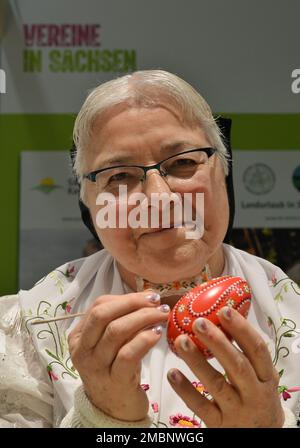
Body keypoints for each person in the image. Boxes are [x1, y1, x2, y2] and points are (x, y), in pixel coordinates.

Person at [1, 70, 300, 428]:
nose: (159, 198)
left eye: (184, 163)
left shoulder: (292, 315)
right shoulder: (28, 330)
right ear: (89, 205)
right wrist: (105, 420)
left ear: (223, 173)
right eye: (120, 176)